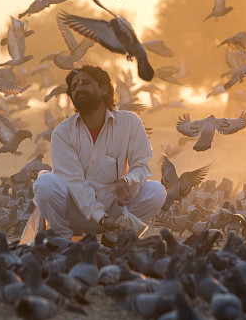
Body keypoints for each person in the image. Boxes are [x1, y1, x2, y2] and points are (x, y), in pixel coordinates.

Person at [31, 65, 165, 238]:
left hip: (115, 212)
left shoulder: (130, 123)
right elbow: (74, 182)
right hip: (76, 214)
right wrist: (101, 218)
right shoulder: (63, 132)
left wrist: (127, 180)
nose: (79, 88)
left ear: (104, 89)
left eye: (85, 83)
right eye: (74, 87)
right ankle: (62, 238)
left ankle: (115, 238)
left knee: (156, 191)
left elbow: (141, 166)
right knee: (45, 183)